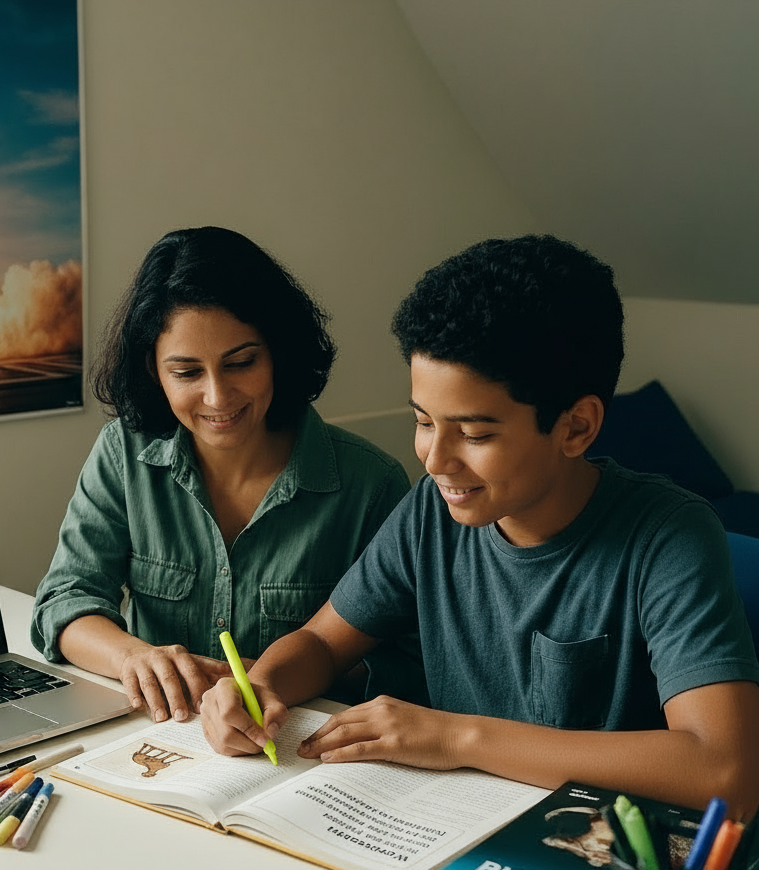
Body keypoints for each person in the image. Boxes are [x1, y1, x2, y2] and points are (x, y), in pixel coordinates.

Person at [201, 234, 759, 818]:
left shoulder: (669, 538)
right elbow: (321, 642)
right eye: (423, 422)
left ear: (576, 428)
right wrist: (261, 685)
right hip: (445, 824)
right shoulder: (432, 511)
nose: (435, 460)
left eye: (474, 434)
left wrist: (455, 737)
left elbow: (724, 770)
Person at [31, 226, 411, 724]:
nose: (217, 397)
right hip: (165, 741)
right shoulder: (125, 454)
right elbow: (64, 601)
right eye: (187, 373)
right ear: (154, 371)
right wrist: (134, 658)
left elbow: (406, 662)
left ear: (278, 351)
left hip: (301, 750)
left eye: (241, 363)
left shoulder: (370, 483)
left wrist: (281, 678)